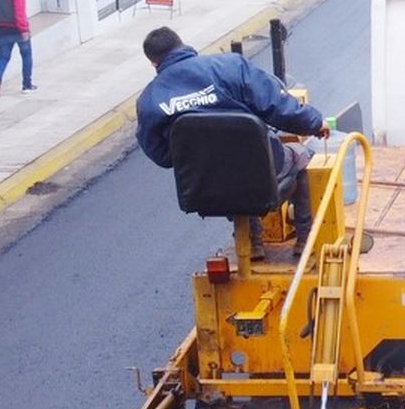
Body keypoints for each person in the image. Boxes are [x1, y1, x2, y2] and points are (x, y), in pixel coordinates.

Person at [135, 26, 328, 251]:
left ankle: (251, 243)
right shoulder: (230, 66)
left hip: (205, 183)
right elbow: (276, 106)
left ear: (154, 63)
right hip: (257, 170)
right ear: (182, 45)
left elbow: (163, 156)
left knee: (222, 166)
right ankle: (305, 240)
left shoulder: (149, 99)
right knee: (300, 156)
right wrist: (314, 123)